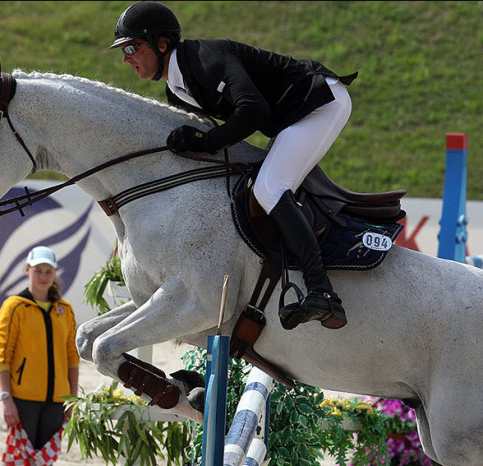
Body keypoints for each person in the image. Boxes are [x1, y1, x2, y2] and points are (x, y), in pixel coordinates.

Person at [109, 1, 357, 329]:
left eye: (131, 47)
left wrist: (204, 142)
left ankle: (322, 292)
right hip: (288, 118)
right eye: (124, 50)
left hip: (319, 103)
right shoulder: (176, 89)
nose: (126, 58)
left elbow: (253, 110)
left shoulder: (205, 59)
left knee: (270, 187)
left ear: (162, 44)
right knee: (252, 183)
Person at [0, 245, 80, 466]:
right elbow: (2, 354)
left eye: (48, 271)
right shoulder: (14, 306)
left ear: (54, 274)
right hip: (22, 399)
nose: (43, 276)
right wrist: (6, 398)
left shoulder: (64, 310)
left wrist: (72, 398)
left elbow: (72, 357)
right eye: (38, 270)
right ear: (27, 270)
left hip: (56, 401)